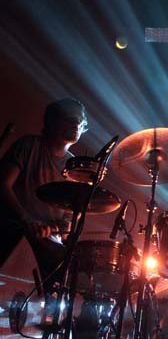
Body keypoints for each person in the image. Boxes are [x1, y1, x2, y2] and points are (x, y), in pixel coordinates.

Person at [0, 98, 88, 312]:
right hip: (14, 231)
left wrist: (63, 229)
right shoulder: (29, 145)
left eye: (80, 121)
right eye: (70, 119)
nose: (76, 124)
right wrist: (27, 219)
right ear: (53, 121)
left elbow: (69, 219)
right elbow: (2, 184)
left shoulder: (73, 166)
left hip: (47, 242)